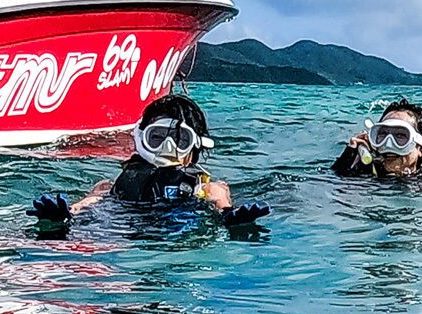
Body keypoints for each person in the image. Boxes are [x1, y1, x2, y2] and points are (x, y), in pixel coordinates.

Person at [33, 94, 269, 229]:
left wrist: (231, 219)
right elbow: (88, 204)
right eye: (157, 137)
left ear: (195, 146)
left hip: (179, 237)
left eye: (179, 140)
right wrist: (66, 216)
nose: (167, 148)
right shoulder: (109, 187)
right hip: (122, 230)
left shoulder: (209, 189)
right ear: (140, 137)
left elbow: (222, 207)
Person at [333, 98, 422, 184]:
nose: (388, 144)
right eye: (382, 134)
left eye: (401, 136)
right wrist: (348, 159)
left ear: (420, 147)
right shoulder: (361, 171)